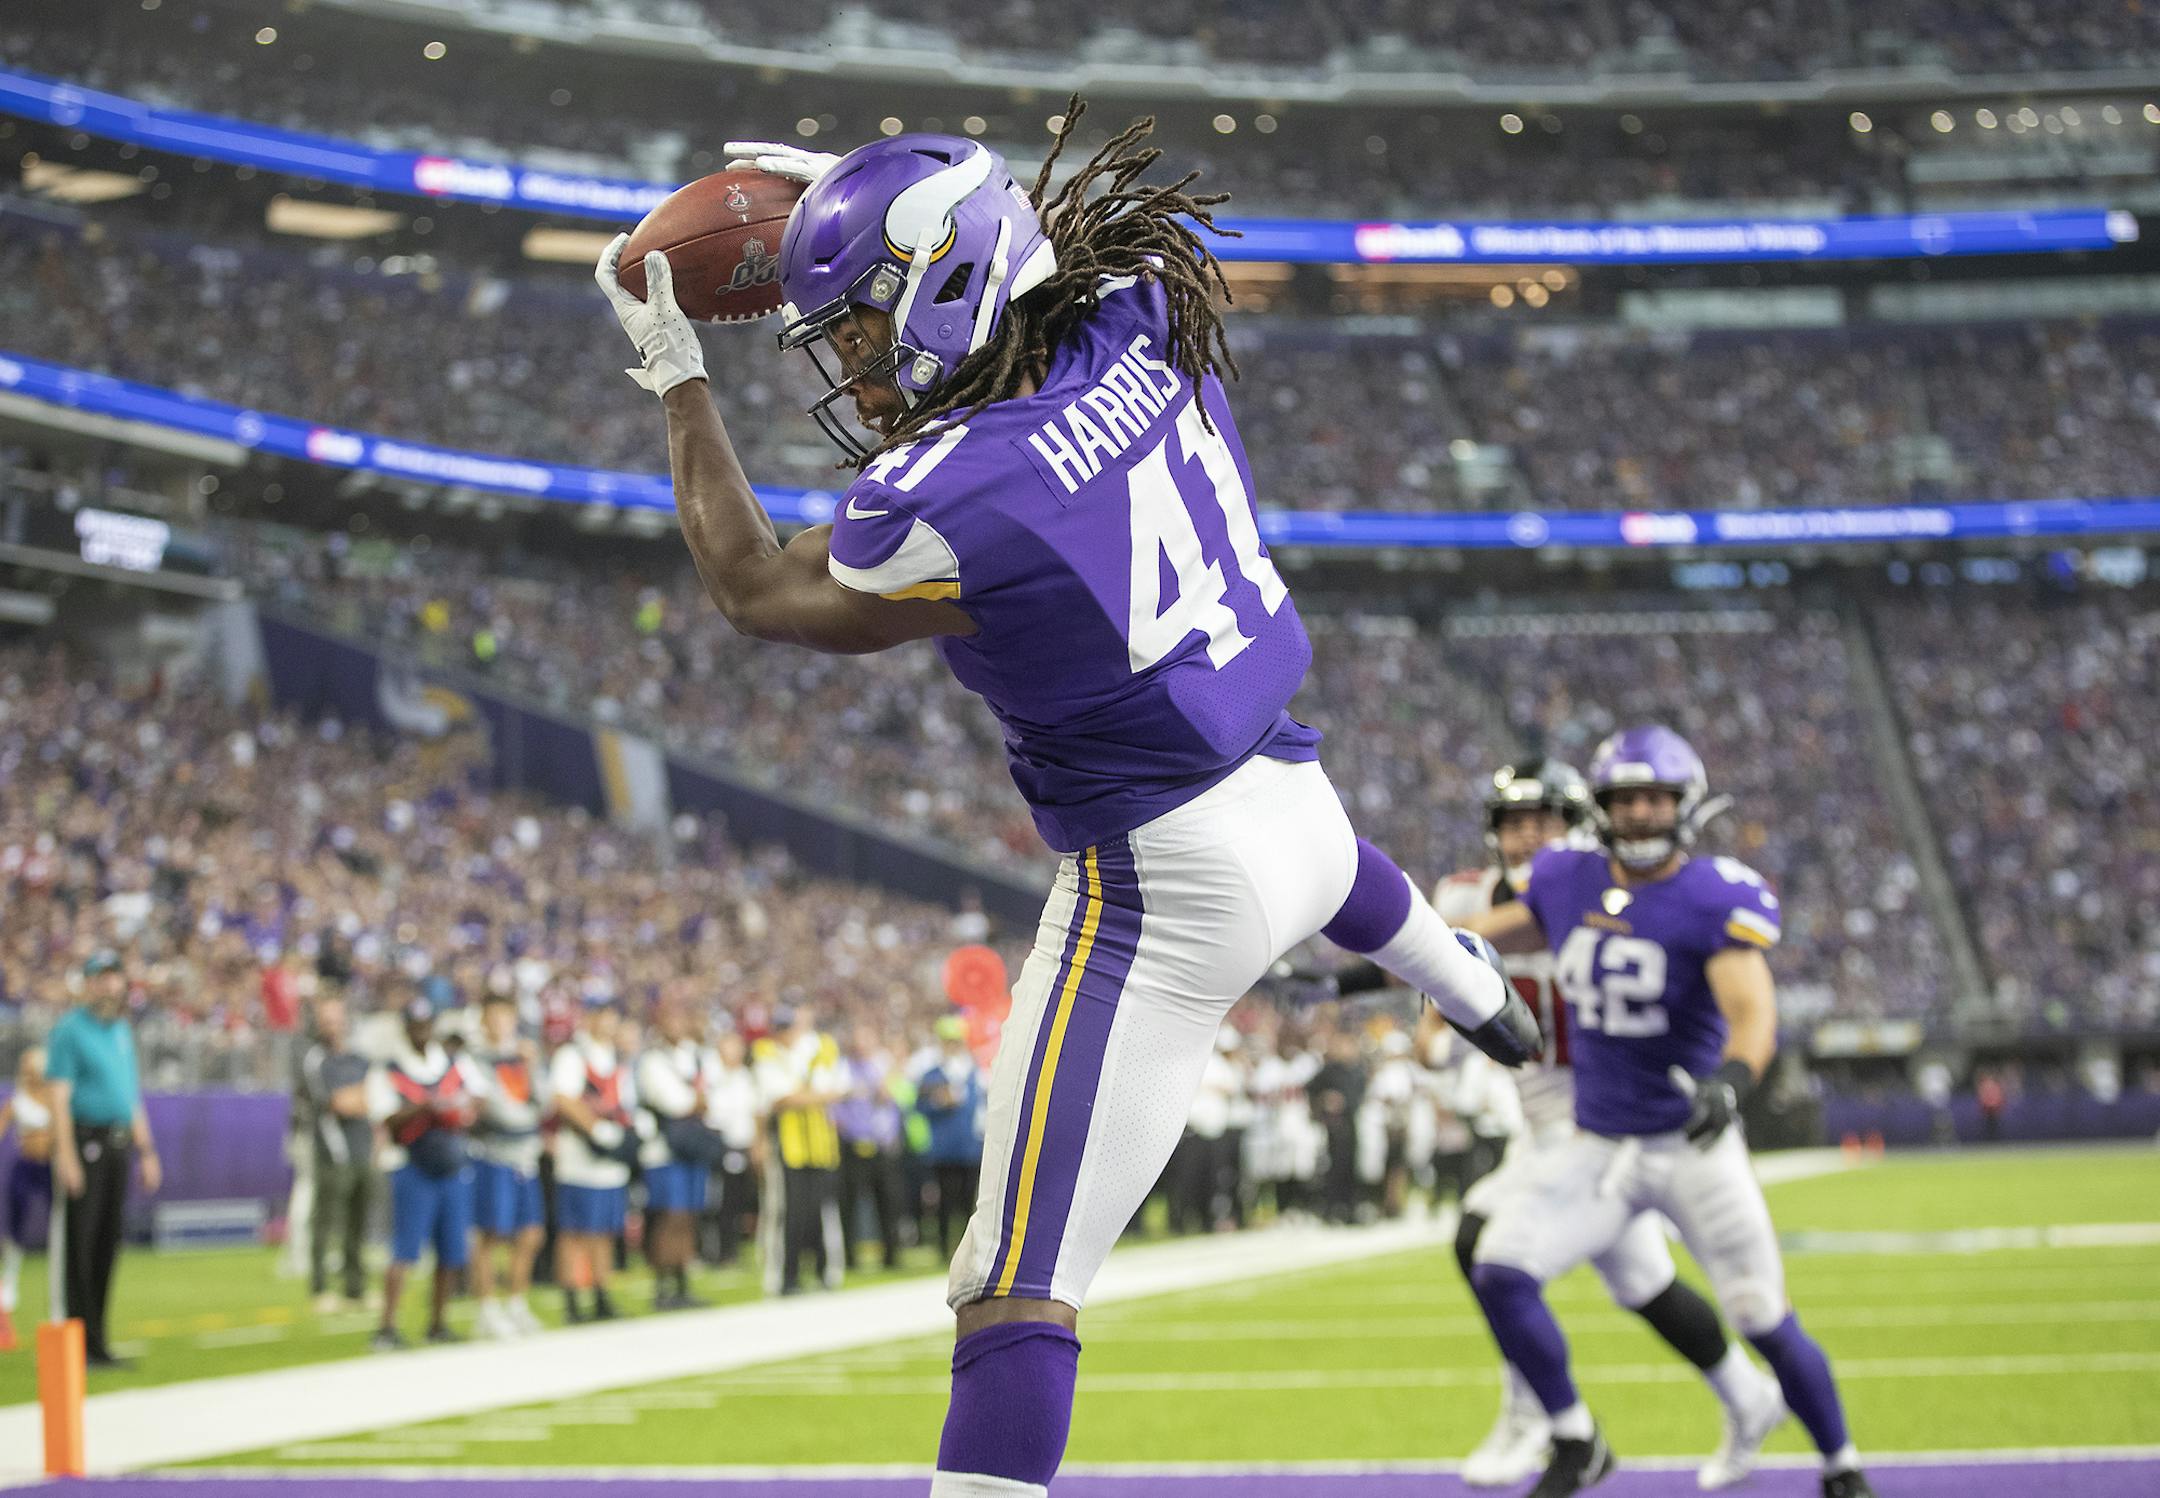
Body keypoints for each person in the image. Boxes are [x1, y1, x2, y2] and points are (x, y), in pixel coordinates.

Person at [596, 109, 1536, 1498]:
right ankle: (1487, 999)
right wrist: (861, 199)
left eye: (862, 326)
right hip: (1287, 778)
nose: (853, 365)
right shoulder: (1144, 308)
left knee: (1011, 1281)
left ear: (952, 288)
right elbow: (1055, 258)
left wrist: (677, 377)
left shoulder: (957, 494)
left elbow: (751, 587)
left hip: (1165, 886)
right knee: (1346, 875)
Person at [1463, 728, 1876, 1498]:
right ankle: (1574, 1437)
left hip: (1691, 1142)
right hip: (1601, 1146)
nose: (1642, 814)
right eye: (1626, 799)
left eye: (1655, 798)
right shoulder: (1567, 878)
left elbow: (1752, 1012)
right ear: (1604, 808)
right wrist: (1370, 966)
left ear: (1684, 805)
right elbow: (1468, 942)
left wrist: (1731, 1080)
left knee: (1761, 1315)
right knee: (1500, 1268)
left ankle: (1841, 1464)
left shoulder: (1711, 894)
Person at [1432, 758, 1785, 1489]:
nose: (1529, 836)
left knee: (1486, 1245)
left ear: (1575, 825)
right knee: (1644, 1286)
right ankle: (1746, 1397)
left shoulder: (1594, 886)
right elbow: (1432, 977)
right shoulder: (1470, 897)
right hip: (1543, 1118)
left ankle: (1546, 1419)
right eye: (1514, 822)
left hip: (1597, 1120)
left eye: (1544, 821)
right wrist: (1425, 1008)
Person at [46, 950, 161, 1370]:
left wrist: (146, 1151)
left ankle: (97, 1341)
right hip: (86, 1140)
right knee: (80, 1245)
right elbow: (58, 1097)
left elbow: (130, 1097)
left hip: (117, 1144)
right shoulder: (70, 1031)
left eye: (115, 977)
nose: (110, 985)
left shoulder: (120, 1031)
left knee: (107, 1246)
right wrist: (67, 1155)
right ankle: (76, 1343)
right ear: (89, 983)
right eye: (102, 977)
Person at [368, 994, 481, 1350]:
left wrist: (461, 1110)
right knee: (404, 1249)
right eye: (415, 1026)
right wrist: (425, 1107)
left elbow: (479, 1097)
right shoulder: (389, 1069)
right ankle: (387, 1326)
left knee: (451, 1251)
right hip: (413, 1164)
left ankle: (438, 1322)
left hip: (450, 1162)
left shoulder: (452, 1063)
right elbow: (385, 1116)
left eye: (425, 1025)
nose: (421, 1032)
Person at [550, 995, 635, 1323]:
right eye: (600, 1014)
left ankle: (601, 1294)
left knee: (605, 1230)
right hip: (580, 1157)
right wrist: (596, 1129)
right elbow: (564, 1099)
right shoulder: (573, 1054)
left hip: (609, 1159)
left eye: (611, 1014)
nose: (607, 1021)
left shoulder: (615, 1056)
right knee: (575, 1231)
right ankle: (572, 1298)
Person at [753, 1005, 846, 1296]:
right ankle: (784, 1276)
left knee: (821, 1210)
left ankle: (825, 1271)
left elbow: (836, 1089)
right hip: (789, 1144)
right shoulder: (767, 1052)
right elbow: (781, 1098)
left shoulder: (817, 1048)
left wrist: (805, 1095)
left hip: (819, 1145)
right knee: (787, 1212)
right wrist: (814, 1096)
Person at [470, 992, 548, 1337]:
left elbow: (545, 1103)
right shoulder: (477, 1058)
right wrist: (528, 1117)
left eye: (508, 1016)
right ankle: (487, 1309)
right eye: (496, 1016)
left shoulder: (524, 1055)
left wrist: (532, 1067)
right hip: (494, 1155)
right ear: (484, 1020)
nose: (503, 1024)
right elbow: (497, 1110)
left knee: (531, 1233)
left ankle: (516, 1302)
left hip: (526, 1156)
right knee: (491, 1233)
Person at [637, 996, 720, 1310]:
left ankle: (682, 1282)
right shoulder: (653, 1060)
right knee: (668, 1217)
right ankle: (662, 1286)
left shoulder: (693, 1056)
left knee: (688, 1217)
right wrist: (696, 1101)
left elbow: (712, 1094)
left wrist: (696, 1101)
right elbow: (676, 1103)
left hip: (691, 1149)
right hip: (664, 1151)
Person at [297, 996, 375, 1313]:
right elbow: (335, 1103)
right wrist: (354, 1099)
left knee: (359, 1220)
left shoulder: (358, 1057)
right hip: (332, 1150)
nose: (331, 1025)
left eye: (335, 1018)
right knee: (326, 1219)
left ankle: (355, 1288)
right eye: (325, 1019)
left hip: (362, 1147)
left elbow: (371, 1098)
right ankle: (319, 1287)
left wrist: (355, 1099)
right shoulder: (315, 1059)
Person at [833, 1023, 908, 1273]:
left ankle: (891, 1255)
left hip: (881, 1144)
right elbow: (835, 1105)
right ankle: (849, 1258)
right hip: (853, 1144)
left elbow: (897, 1098)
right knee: (850, 1204)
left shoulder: (883, 1065)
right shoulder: (842, 1067)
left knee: (888, 1201)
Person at [914, 1016, 986, 1261]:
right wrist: (939, 1103)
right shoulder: (932, 1074)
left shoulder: (973, 1072)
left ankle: (968, 1250)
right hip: (944, 1148)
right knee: (944, 1200)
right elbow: (920, 1107)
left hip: (969, 1147)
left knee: (969, 1201)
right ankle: (944, 1249)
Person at [1, 1047, 57, 1351]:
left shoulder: (53, 1097)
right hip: (26, 1166)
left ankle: (61, 1290)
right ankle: (8, 1290)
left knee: (60, 1227)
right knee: (16, 1231)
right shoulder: (17, 1100)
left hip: (50, 1168)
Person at [702, 1027, 762, 1268]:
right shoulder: (711, 1075)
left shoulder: (747, 1077)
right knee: (718, 1203)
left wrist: (758, 1143)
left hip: (742, 1145)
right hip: (717, 1145)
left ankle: (732, 1250)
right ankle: (716, 1252)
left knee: (738, 1202)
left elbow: (757, 1112)